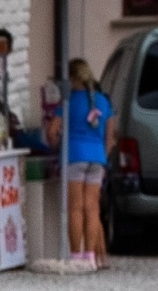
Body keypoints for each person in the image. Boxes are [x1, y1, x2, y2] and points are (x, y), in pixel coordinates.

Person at [44, 57, 117, 269]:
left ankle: (76, 256)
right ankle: (91, 256)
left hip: (74, 156)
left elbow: (52, 131)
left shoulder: (68, 102)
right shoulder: (103, 101)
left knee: (75, 208)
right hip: (97, 158)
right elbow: (110, 137)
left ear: (73, 79)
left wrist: (57, 146)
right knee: (92, 209)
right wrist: (101, 155)